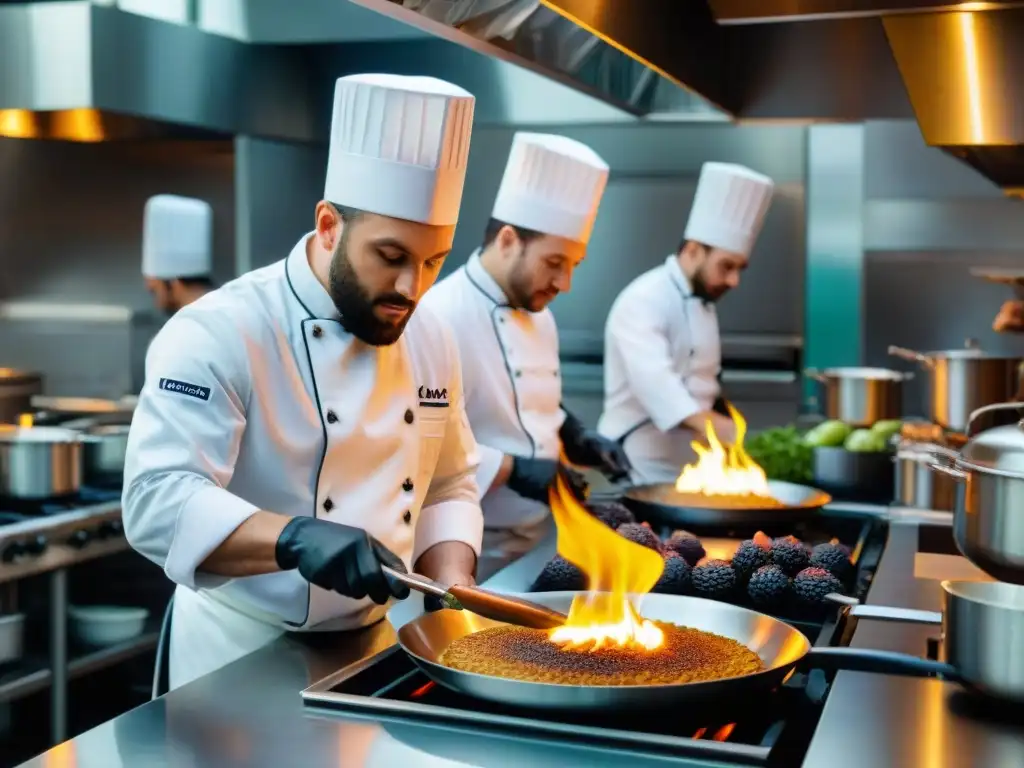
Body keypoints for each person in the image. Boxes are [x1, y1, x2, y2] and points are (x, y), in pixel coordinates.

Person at [122, 73, 482, 690]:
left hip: (375, 648)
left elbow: (449, 485)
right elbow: (156, 500)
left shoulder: (432, 337)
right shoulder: (222, 329)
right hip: (233, 660)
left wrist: (453, 582)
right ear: (328, 226)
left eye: (434, 261)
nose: (411, 289)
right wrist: (293, 539)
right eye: (391, 257)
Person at [421, 132, 629, 578]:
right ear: (509, 240)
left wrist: (575, 434)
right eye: (555, 263)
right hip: (464, 548)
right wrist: (514, 469)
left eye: (575, 264)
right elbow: (421, 440)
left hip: (540, 535)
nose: (565, 282)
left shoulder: (540, 313)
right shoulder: (438, 316)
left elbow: (531, 395)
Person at [598, 162, 775, 484]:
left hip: (691, 464)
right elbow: (657, 385)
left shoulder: (704, 299)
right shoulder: (643, 299)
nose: (734, 280)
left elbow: (702, 379)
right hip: (637, 460)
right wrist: (720, 428)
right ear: (693, 250)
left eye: (740, 268)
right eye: (726, 266)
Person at [141, 194, 216, 314]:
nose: (157, 304)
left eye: (154, 292)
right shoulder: (228, 312)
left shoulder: (187, 328)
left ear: (173, 284)